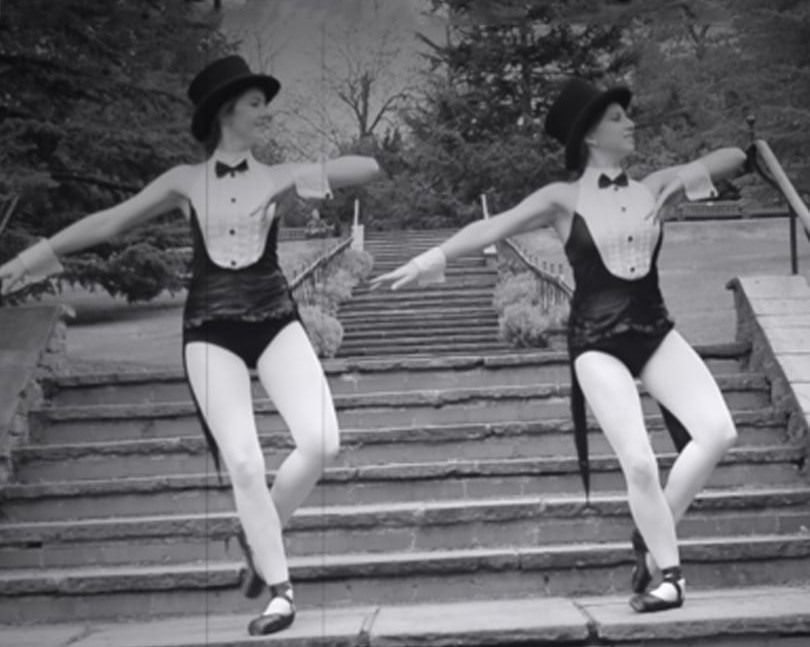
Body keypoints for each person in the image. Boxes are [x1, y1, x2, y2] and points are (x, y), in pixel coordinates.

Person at [0, 54, 382, 635]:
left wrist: (298, 176)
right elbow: (110, 222)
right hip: (209, 330)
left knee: (323, 441)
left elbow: (369, 168)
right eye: (255, 103)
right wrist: (31, 260)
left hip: (275, 319)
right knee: (245, 462)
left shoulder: (277, 173)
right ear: (226, 111)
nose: (265, 113)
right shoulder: (184, 181)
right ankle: (280, 593)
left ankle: (256, 535)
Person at [371, 77, 745, 612]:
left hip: (655, 330)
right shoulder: (562, 198)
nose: (631, 123)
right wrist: (428, 259)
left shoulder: (653, 184)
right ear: (590, 135)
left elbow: (734, 156)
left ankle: (649, 533)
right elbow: (493, 227)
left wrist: (683, 178)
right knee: (639, 463)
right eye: (617, 117)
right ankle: (671, 578)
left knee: (719, 432)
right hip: (597, 341)